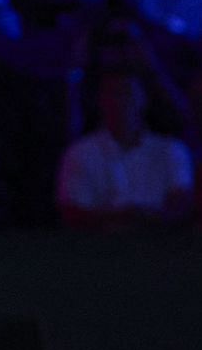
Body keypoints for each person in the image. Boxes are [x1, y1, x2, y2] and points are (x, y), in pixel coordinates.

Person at [56, 69, 194, 231]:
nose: (121, 101)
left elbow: (181, 206)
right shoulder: (79, 153)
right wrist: (124, 217)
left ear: (143, 97)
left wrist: (142, 219)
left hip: (159, 250)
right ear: (100, 100)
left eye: (127, 92)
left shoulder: (172, 150)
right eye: (114, 93)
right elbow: (71, 213)